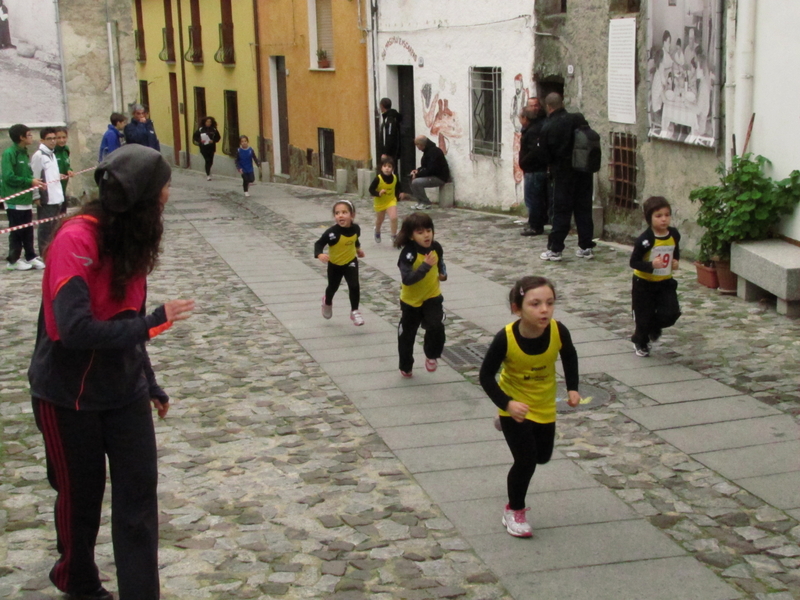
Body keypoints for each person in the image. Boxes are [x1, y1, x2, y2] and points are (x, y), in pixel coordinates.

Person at [28, 144, 195, 600]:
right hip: (68, 395)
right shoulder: (75, 239)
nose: (167, 197)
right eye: (163, 189)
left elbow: (125, 317)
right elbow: (75, 330)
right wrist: (154, 321)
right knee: (80, 500)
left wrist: (150, 380)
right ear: (142, 196)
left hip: (124, 390)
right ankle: (77, 582)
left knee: (138, 503)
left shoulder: (132, 239)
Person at [479, 276, 580, 537]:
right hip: (515, 405)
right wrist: (507, 404)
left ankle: (504, 423)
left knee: (542, 456)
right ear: (517, 308)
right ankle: (514, 510)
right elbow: (486, 376)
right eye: (535, 304)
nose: (544, 310)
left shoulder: (559, 330)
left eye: (549, 303)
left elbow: (569, 355)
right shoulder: (506, 338)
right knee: (525, 461)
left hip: (544, 404)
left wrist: (572, 388)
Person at [539, 93, 596, 261]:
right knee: (584, 210)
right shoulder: (578, 118)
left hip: (563, 174)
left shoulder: (548, 126)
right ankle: (586, 247)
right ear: (562, 103)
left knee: (561, 211)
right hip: (583, 171)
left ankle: (555, 249)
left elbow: (544, 154)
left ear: (549, 107)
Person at [394, 212, 447, 376]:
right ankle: (406, 365)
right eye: (420, 232)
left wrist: (443, 273)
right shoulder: (408, 254)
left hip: (432, 297)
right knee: (406, 337)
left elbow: (441, 262)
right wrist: (424, 266)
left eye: (428, 230)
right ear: (411, 235)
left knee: (436, 326)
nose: (426, 235)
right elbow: (408, 279)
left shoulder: (436, 247)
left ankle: (432, 355)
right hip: (411, 302)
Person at [629, 196, 681, 357]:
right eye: (658, 216)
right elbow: (634, 262)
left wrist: (675, 261)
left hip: (665, 281)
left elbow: (674, 250)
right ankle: (640, 340)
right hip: (644, 283)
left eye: (667, 215)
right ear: (650, 218)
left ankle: (653, 326)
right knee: (644, 317)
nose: (664, 219)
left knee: (671, 313)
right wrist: (651, 265)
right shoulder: (645, 240)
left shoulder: (673, 234)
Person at [314, 200, 365, 326]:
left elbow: (355, 240)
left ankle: (355, 311)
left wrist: (358, 250)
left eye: (344, 212)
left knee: (354, 285)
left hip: (350, 261)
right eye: (337, 213)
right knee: (333, 287)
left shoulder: (356, 229)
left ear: (352, 215)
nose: (340, 216)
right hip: (335, 264)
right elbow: (319, 244)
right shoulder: (331, 233)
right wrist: (319, 254)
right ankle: (327, 301)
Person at [3, 124, 44, 271]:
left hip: (25, 199)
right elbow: (8, 177)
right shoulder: (10, 153)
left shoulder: (24, 153)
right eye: (29, 134)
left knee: (28, 230)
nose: (32, 137)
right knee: (17, 231)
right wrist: (29, 182)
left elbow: (27, 174)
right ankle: (13, 260)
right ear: (21, 137)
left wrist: (35, 184)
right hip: (14, 200)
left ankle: (31, 256)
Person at [30, 127, 65, 256]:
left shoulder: (53, 154)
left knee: (55, 226)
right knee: (45, 227)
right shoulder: (39, 156)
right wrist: (36, 195)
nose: (53, 141)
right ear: (42, 140)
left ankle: (53, 251)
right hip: (46, 197)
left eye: (54, 138)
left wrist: (59, 175)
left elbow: (50, 173)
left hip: (56, 196)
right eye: (49, 139)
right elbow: (35, 175)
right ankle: (44, 253)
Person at [518, 103, 548, 237]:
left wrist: (524, 162)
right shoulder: (534, 129)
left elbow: (534, 151)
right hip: (534, 169)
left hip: (534, 170)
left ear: (525, 118)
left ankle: (536, 225)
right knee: (535, 198)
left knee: (533, 199)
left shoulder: (532, 131)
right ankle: (535, 223)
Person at [402, 135, 450, 210]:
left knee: (416, 182)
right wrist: (417, 170)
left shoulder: (434, 152)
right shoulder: (427, 151)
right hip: (432, 175)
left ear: (421, 145)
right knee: (411, 179)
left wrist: (417, 174)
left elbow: (431, 169)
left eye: (417, 145)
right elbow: (425, 166)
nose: (417, 147)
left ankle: (426, 202)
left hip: (439, 177)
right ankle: (420, 202)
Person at [369, 156, 398, 243]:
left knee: (394, 218)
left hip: (390, 200)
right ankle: (377, 231)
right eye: (385, 166)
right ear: (381, 168)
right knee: (380, 220)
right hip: (380, 202)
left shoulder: (395, 177)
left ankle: (394, 236)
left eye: (389, 166)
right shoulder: (378, 179)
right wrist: (378, 193)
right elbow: (371, 190)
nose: (387, 168)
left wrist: (401, 193)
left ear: (393, 168)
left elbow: (397, 187)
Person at [54, 127, 74, 200]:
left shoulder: (66, 149)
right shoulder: (52, 151)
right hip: (54, 186)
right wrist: (56, 175)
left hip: (64, 184)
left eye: (64, 137)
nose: (62, 140)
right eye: (58, 138)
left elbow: (67, 163)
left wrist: (69, 170)